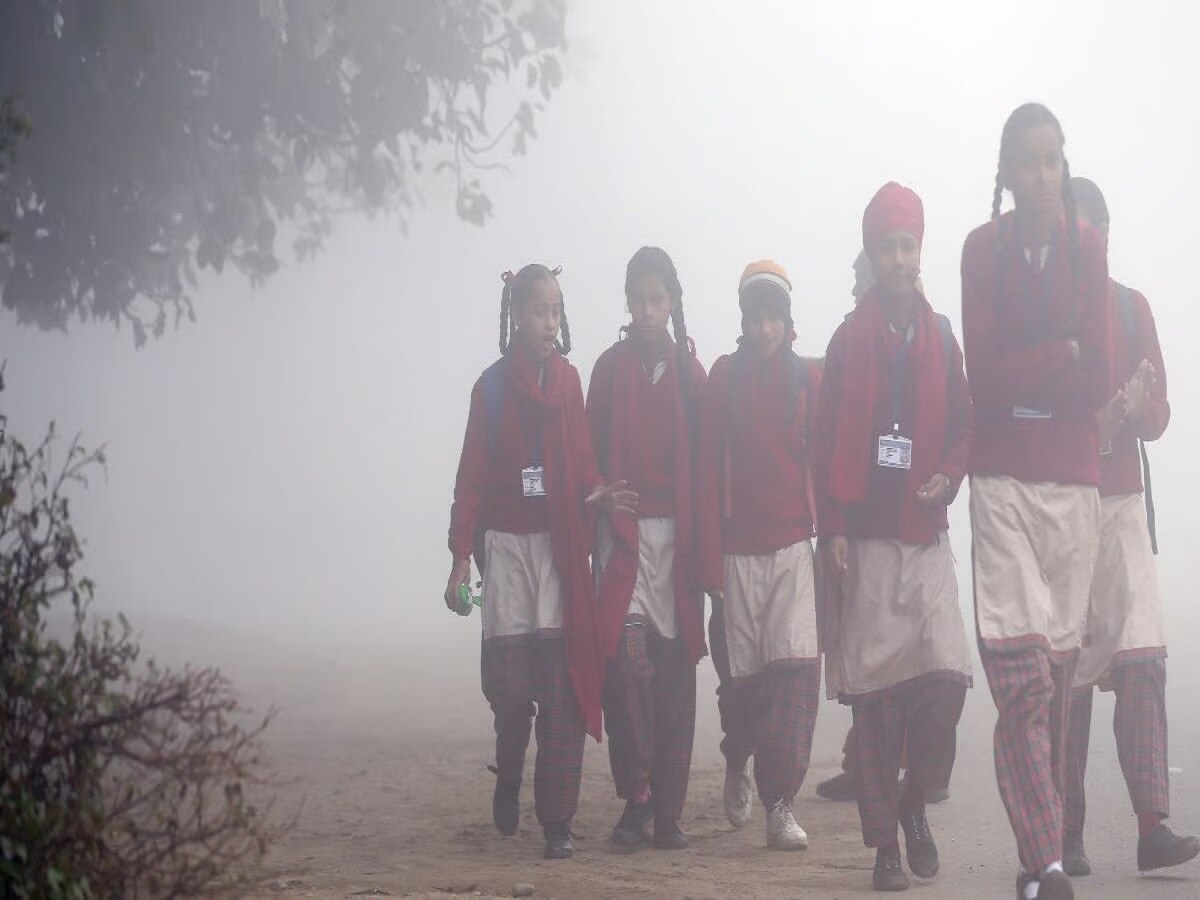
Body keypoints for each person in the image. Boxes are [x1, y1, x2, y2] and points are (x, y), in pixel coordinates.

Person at [961, 102, 1113, 900]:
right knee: (1020, 678)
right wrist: (1061, 355)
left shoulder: (1088, 250)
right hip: (1003, 481)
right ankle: (1049, 860)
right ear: (1008, 173)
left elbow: (1102, 380)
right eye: (1030, 162)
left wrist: (1043, 374)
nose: (1045, 176)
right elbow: (981, 378)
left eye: (1055, 160)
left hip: (1075, 482)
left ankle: (1035, 860)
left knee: (1054, 684)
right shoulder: (981, 250)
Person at [445, 264, 636, 860]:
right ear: (515, 317)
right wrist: (459, 561)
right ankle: (507, 773)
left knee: (559, 692)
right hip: (503, 551)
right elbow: (470, 480)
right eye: (537, 310)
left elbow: (582, 461)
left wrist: (599, 490)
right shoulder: (492, 390)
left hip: (557, 553)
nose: (549, 322)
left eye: (556, 310)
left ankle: (557, 823)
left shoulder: (569, 384)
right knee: (510, 693)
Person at [815, 183, 974, 892]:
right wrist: (837, 528)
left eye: (908, 246)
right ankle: (884, 847)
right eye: (887, 247)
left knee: (946, 683)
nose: (899, 259)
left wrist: (948, 473)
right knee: (876, 707)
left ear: (919, 250)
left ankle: (915, 804)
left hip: (926, 534)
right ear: (872, 255)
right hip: (870, 541)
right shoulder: (849, 341)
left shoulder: (942, 337)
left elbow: (966, 425)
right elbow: (823, 445)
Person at [1060, 177, 1198, 877]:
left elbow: (1162, 413)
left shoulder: (1131, 306)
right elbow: (1025, 420)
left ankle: (1153, 825)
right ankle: (1063, 832)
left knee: (1142, 659)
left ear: (1105, 237)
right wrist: (1097, 422)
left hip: (1122, 508)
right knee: (1073, 675)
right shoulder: (1042, 319)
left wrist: (1139, 409)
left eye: (1094, 231)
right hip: (1064, 509)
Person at [698, 260, 823, 851]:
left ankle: (781, 804)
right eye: (755, 316)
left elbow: (825, 459)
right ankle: (737, 759)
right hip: (735, 554)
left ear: (787, 320)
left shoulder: (807, 382)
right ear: (742, 321)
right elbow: (701, 467)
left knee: (795, 676)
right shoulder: (723, 378)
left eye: (774, 316)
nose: (765, 327)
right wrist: (705, 559)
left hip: (795, 546)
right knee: (742, 686)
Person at [588, 247, 708, 851]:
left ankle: (666, 811)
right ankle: (635, 794)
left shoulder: (692, 373)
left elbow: (713, 459)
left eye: (656, 299)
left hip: (677, 545)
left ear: (672, 302)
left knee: (674, 682)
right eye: (637, 299)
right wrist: (601, 495)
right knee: (626, 667)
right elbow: (585, 451)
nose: (645, 310)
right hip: (626, 541)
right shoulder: (609, 369)